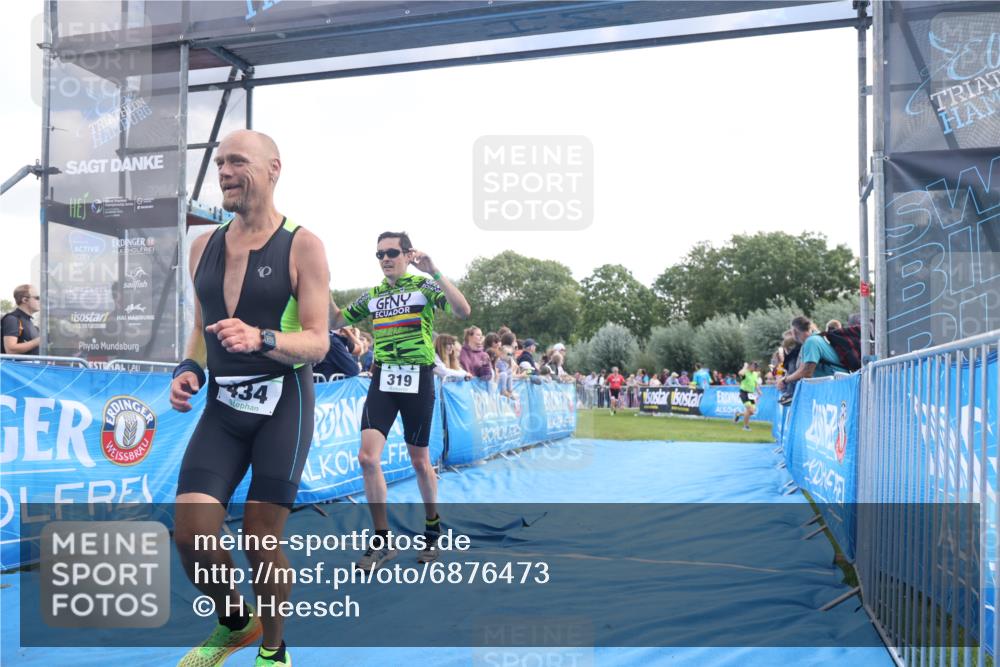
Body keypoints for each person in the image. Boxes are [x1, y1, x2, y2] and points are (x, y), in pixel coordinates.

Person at [169, 130, 330, 667]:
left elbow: (319, 340)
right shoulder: (202, 246)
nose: (224, 172)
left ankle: (273, 648)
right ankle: (236, 622)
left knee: (262, 541)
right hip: (224, 406)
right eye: (219, 163)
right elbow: (200, 328)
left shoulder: (302, 244)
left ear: (273, 168)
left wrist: (263, 338)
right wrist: (191, 367)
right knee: (191, 535)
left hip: (285, 403)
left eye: (237, 161)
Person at [331, 231, 471, 568]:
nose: (385, 259)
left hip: (417, 378)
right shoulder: (374, 295)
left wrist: (433, 269)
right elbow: (334, 321)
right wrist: (321, 285)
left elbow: (463, 311)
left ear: (408, 255)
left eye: (392, 252)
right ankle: (382, 540)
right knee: (367, 458)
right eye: (379, 254)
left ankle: (433, 529)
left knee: (420, 462)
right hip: (384, 378)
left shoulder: (423, 288)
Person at [777, 315, 848, 392]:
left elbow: (806, 372)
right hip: (839, 384)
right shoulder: (818, 336)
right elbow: (802, 368)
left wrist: (785, 380)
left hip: (837, 387)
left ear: (794, 331)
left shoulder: (811, 342)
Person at [1, 284, 40, 355]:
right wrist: (38, 341)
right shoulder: (12, 319)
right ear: (25, 300)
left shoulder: (29, 321)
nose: (40, 301)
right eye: (37, 298)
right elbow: (10, 350)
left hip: (31, 365)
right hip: (17, 366)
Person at [735, 361, 762, 431]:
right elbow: (740, 373)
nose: (754, 367)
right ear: (749, 366)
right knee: (749, 409)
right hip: (744, 393)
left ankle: (739, 414)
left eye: (755, 366)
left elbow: (755, 384)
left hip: (751, 394)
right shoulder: (745, 372)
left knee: (752, 412)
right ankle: (745, 426)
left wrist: (758, 391)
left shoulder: (755, 374)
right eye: (753, 366)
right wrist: (745, 366)